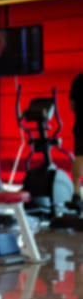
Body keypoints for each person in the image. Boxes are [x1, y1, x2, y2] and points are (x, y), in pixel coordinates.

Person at [71, 71, 83, 205]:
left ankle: (76, 193)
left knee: (80, 157)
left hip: (80, 125)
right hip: (80, 125)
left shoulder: (78, 80)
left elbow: (72, 105)